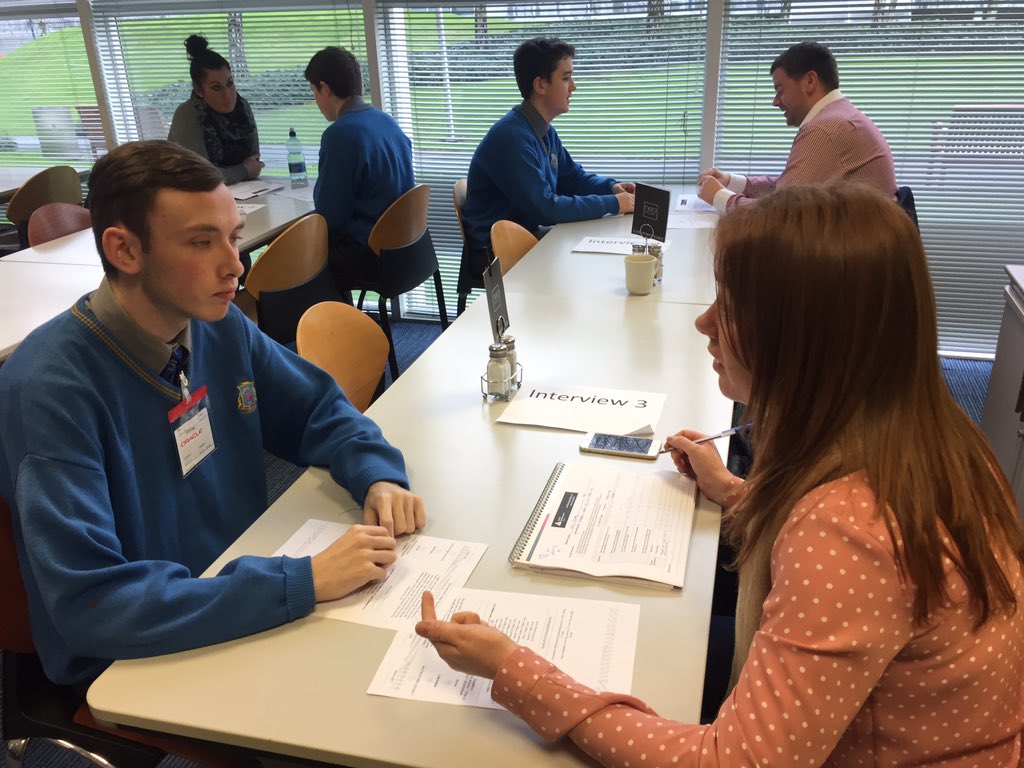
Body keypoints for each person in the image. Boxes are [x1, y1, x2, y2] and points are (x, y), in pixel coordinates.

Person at [415, 183, 1024, 765]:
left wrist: (512, 671)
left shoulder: (848, 531)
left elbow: (732, 762)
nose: (704, 323)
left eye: (729, 309)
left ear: (801, 341)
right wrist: (735, 492)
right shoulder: (935, 437)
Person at [0, 140, 426, 689]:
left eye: (232, 235)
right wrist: (300, 582)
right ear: (125, 250)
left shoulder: (216, 323)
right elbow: (94, 606)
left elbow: (316, 408)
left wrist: (377, 474)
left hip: (236, 586)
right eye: (202, 242)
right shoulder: (49, 389)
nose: (235, 265)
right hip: (137, 653)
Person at [460, 37, 635, 269]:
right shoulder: (511, 138)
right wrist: (613, 204)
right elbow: (545, 209)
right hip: (497, 252)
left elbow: (572, 178)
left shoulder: (543, 131)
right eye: (566, 78)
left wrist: (611, 188)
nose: (573, 87)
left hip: (527, 236)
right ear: (541, 85)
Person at [698, 41, 896, 212]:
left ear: (810, 81)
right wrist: (730, 181)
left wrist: (720, 197)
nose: (775, 101)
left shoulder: (825, 129)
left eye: (780, 90)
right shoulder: (839, 116)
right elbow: (789, 188)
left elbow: (782, 214)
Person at [304, 46, 414, 293]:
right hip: (407, 247)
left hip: (368, 254)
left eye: (314, 92)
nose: (316, 102)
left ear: (325, 88)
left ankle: (324, 318)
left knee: (295, 256)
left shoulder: (340, 135)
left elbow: (330, 217)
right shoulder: (386, 121)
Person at [168, 34, 263, 185]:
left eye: (230, 83)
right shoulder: (187, 114)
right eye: (216, 88)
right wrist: (243, 170)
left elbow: (254, 162)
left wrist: (241, 171)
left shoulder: (242, 107)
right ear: (199, 90)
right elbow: (201, 176)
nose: (227, 95)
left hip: (242, 191)